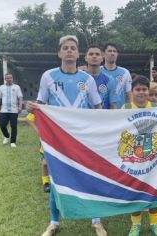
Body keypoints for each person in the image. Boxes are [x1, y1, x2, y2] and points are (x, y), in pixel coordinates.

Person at [26, 35, 105, 236]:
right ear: (60, 53)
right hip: (56, 140)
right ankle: (54, 222)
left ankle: (96, 220)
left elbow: (98, 107)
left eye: (73, 48)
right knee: (55, 180)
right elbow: (40, 108)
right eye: (66, 48)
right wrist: (33, 112)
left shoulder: (87, 79)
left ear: (78, 54)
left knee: (89, 178)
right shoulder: (48, 76)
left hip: (81, 139)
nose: (69, 51)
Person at [122, 75, 157, 236]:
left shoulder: (156, 106)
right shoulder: (125, 107)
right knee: (135, 192)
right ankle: (136, 224)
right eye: (138, 89)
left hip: (152, 157)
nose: (141, 92)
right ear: (132, 92)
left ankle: (155, 223)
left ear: (149, 91)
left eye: (144, 89)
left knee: (153, 190)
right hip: (133, 158)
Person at [101, 43, 132, 108]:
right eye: (109, 51)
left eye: (114, 51)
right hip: (102, 113)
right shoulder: (98, 71)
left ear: (117, 54)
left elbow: (129, 96)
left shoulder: (125, 72)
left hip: (120, 114)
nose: (112, 53)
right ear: (103, 54)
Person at [0, 73, 23, 148]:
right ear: (5, 79)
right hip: (4, 110)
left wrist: (20, 107)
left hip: (14, 110)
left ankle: (13, 142)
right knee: (2, 125)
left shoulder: (17, 87)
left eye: (10, 78)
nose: (9, 79)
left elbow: (20, 97)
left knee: (13, 126)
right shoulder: (1, 87)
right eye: (7, 78)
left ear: (12, 78)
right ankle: (7, 136)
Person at [26, 113, 50, 192]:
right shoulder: (41, 105)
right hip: (46, 138)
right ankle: (45, 182)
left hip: (61, 138)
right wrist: (38, 130)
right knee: (45, 162)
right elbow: (29, 118)